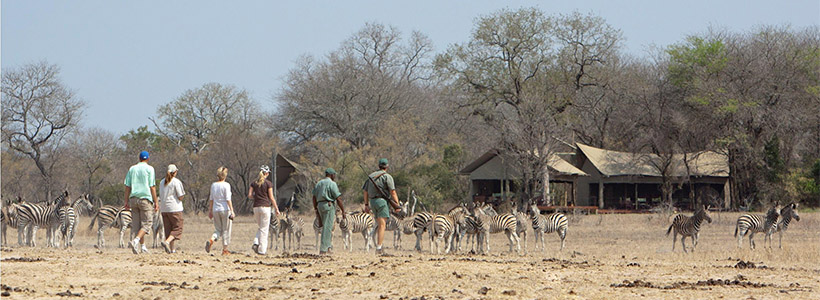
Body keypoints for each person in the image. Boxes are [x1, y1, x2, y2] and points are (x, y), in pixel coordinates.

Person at [362, 158, 401, 254]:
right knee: (382, 225)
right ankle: (379, 247)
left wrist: (366, 204)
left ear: (379, 166)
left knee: (378, 224)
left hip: (372, 202)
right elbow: (392, 191)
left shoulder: (371, 176)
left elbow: (365, 191)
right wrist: (397, 204)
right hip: (382, 202)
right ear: (387, 167)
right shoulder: (387, 177)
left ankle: (377, 244)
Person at [124, 150, 158, 255]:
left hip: (133, 198)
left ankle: (142, 247)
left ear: (139, 159)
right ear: (147, 159)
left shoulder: (132, 169)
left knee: (137, 225)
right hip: (145, 198)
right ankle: (136, 241)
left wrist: (126, 201)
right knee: (147, 223)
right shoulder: (150, 169)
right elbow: (152, 186)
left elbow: (127, 186)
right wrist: (156, 201)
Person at [313, 167, 346, 255]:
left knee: (324, 226)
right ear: (331, 175)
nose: (334, 176)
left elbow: (314, 196)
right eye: (334, 174)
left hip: (319, 205)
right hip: (328, 206)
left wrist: (315, 208)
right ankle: (323, 249)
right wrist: (343, 210)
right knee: (327, 227)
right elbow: (338, 198)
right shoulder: (332, 184)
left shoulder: (319, 183)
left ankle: (328, 247)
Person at [248, 165, 280, 255]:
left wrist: (256, 197)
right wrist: (276, 209)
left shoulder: (254, 183)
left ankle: (255, 242)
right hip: (265, 207)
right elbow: (271, 197)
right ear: (266, 173)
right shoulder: (268, 183)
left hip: (256, 207)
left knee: (261, 227)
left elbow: (249, 195)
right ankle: (262, 250)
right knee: (264, 229)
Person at [205, 166, 235, 255]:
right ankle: (225, 249)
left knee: (218, 229)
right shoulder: (226, 185)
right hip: (225, 209)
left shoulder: (213, 185)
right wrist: (232, 211)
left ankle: (212, 240)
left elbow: (211, 199)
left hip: (215, 209)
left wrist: (210, 211)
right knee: (226, 229)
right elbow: (228, 199)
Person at [159, 164, 185, 254]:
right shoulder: (176, 182)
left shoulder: (162, 182)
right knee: (178, 228)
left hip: (164, 208)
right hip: (175, 208)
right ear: (175, 172)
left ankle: (171, 249)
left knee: (168, 229)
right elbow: (180, 196)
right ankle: (166, 242)